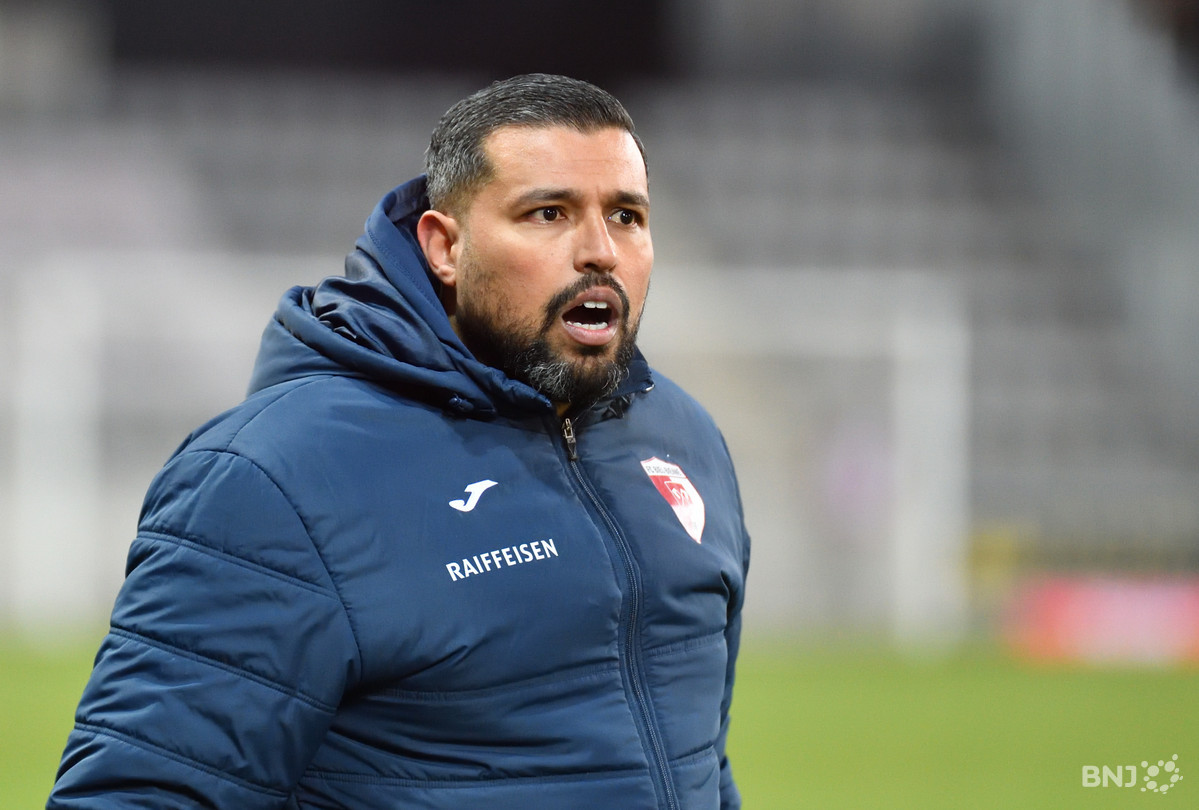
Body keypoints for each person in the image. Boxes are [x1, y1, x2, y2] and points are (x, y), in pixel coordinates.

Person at [48, 73, 750, 810]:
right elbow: (142, 794)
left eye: (627, 216)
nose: (600, 251)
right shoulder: (278, 478)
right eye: (548, 213)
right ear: (445, 246)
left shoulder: (683, 437)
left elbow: (696, 760)